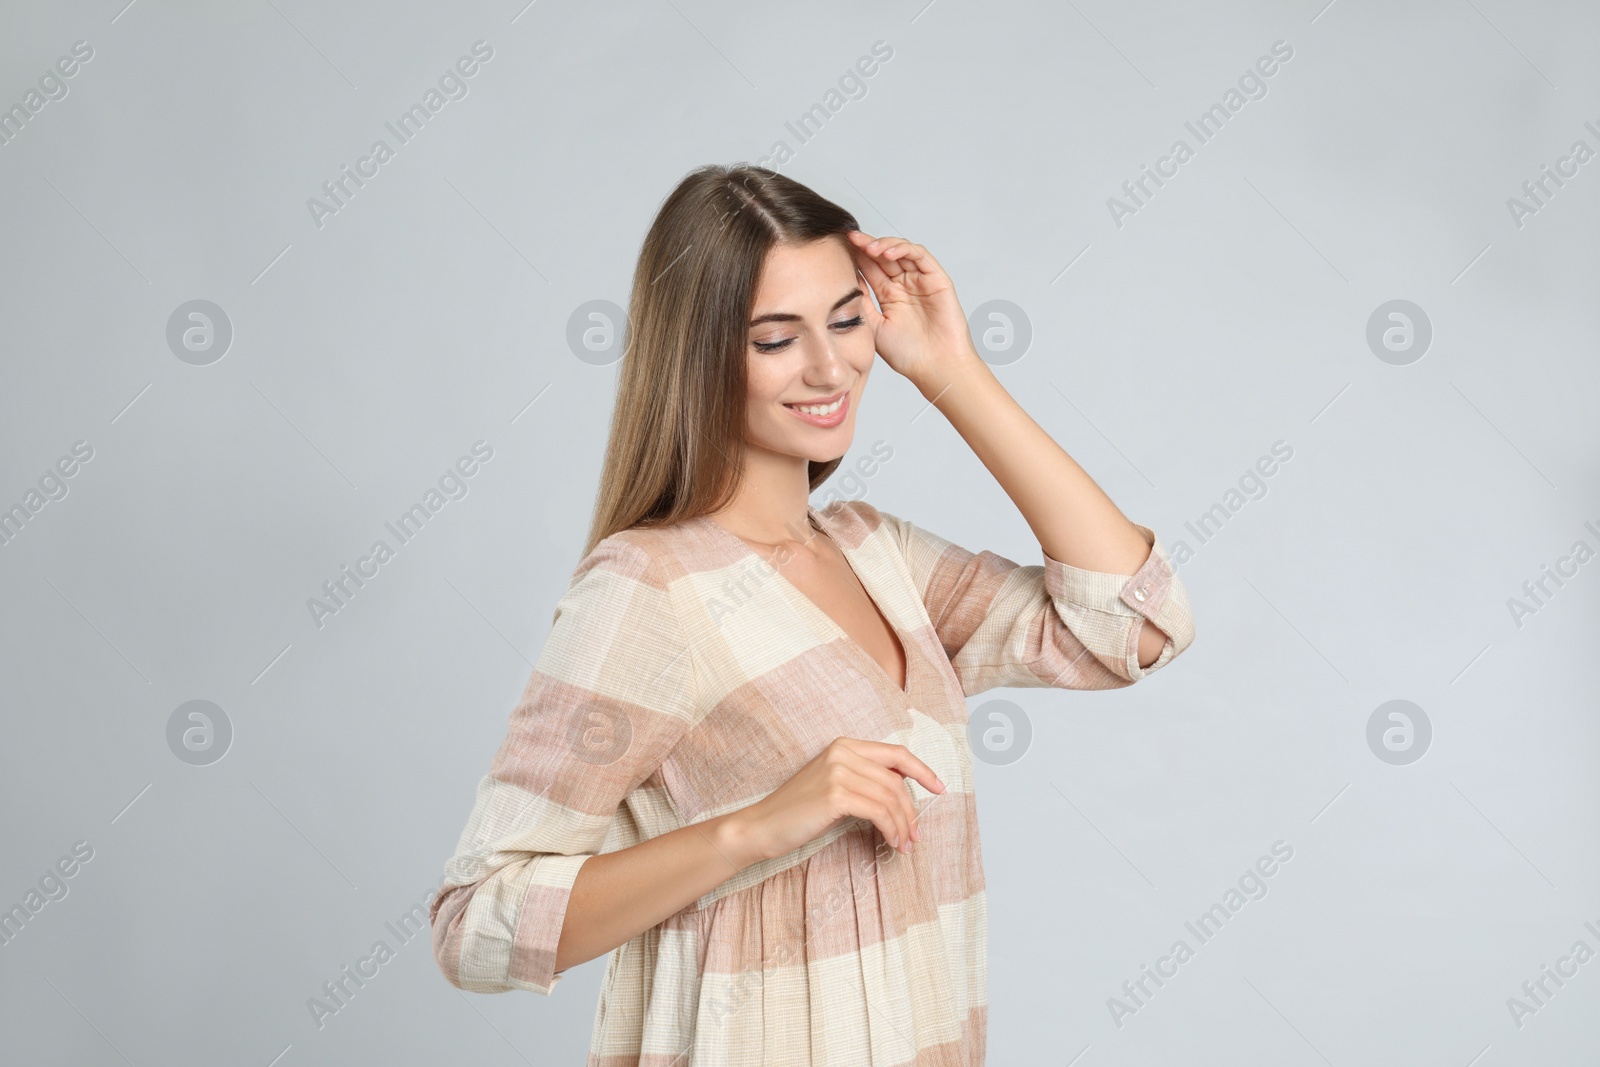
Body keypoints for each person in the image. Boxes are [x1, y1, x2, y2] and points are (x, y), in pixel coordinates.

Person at [429, 163, 1197, 1065]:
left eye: (845, 319)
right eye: (774, 339)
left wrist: (953, 370)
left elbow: (1132, 626)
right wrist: (753, 828)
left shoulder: (877, 553)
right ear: (700, 352)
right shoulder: (647, 591)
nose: (831, 367)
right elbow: (474, 923)